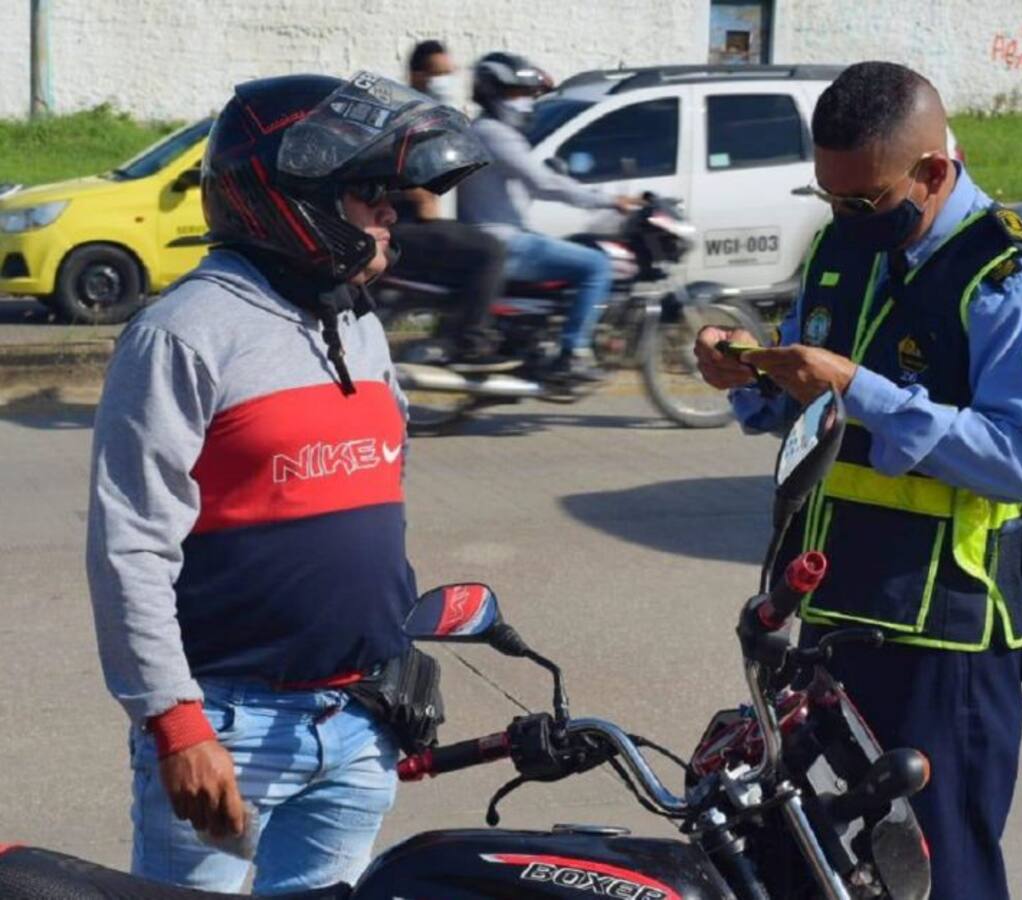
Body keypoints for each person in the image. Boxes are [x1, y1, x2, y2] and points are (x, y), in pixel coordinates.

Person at [85, 71, 487, 893]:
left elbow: (368, 505)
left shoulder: (355, 322)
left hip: (359, 721)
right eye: (367, 191)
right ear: (290, 198)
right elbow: (130, 545)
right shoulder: (183, 336)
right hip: (230, 727)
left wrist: (391, 656)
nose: (391, 209)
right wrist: (174, 723)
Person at [694, 61, 1022, 900]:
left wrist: (857, 388)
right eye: (828, 197)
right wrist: (751, 380)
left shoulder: (1005, 278)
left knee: (939, 876)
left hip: (944, 640)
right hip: (828, 622)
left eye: (863, 200)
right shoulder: (841, 247)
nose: (843, 217)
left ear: (935, 173)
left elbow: (1021, 458)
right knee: (818, 865)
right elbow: (812, 414)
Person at [457, 51, 641, 382]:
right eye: (516, 94)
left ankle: (540, 342)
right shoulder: (493, 133)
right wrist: (610, 202)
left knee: (576, 250)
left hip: (503, 237)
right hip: (505, 242)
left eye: (527, 94)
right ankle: (572, 353)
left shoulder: (487, 131)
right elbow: (542, 182)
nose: (525, 102)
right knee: (597, 265)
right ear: (493, 93)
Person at [386, 39, 515, 372]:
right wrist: (416, 192)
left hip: (412, 224)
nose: (446, 81)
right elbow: (390, 167)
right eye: (437, 74)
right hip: (399, 226)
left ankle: (452, 331)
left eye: (450, 73)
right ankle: (471, 343)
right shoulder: (405, 117)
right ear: (416, 76)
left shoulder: (426, 116)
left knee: (471, 247)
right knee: (491, 251)